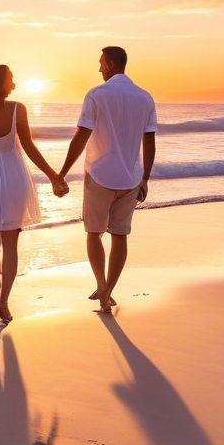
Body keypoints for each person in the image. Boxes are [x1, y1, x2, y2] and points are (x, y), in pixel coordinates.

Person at [0, 64, 67, 323]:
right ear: (1, 83)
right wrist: (53, 175)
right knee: (10, 246)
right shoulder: (17, 109)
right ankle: (4, 302)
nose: (15, 84)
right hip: (12, 178)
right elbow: (29, 147)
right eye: (11, 79)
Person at [57, 46, 157, 313]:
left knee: (93, 232)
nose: (99, 68)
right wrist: (145, 177)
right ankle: (108, 290)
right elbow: (150, 141)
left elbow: (81, 136)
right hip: (131, 177)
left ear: (111, 64)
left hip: (100, 175)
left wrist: (62, 172)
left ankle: (102, 284)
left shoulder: (97, 95)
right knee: (120, 235)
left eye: (101, 63)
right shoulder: (145, 97)